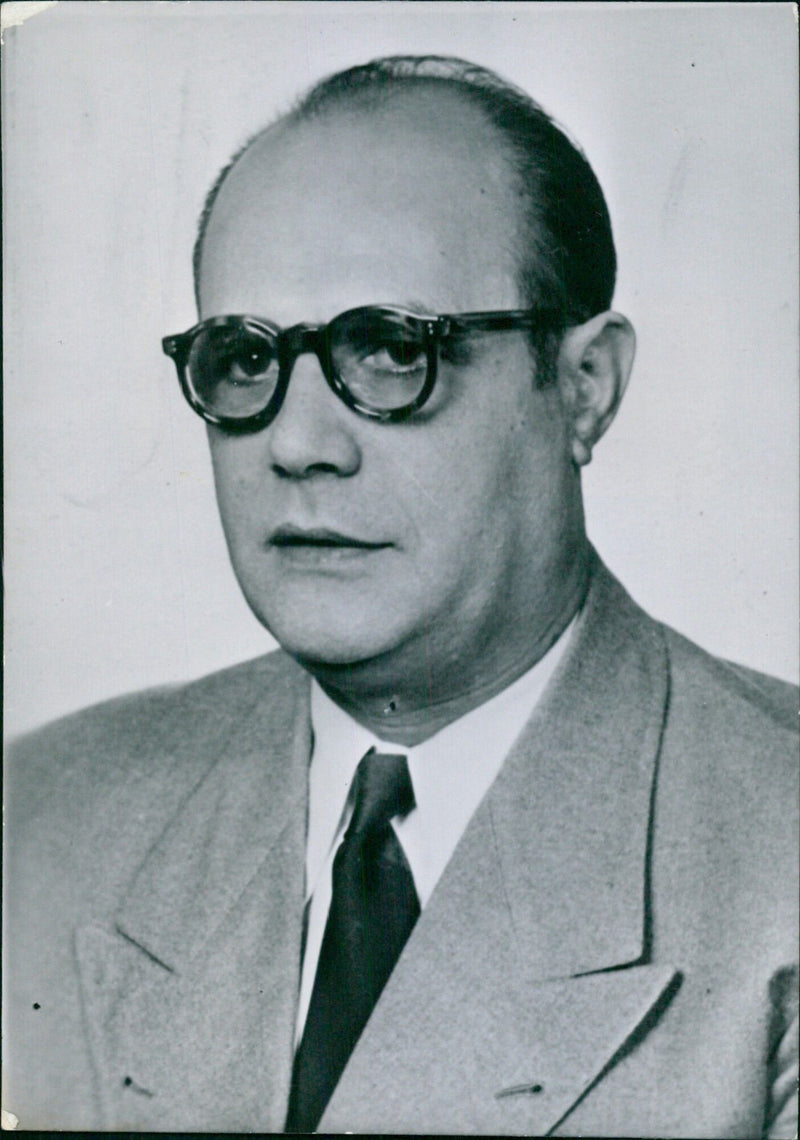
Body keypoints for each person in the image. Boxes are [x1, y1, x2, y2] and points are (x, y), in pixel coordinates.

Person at [4, 55, 797, 1136]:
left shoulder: (778, 861)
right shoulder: (41, 818)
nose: (295, 443)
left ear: (582, 387)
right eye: (244, 360)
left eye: (387, 349)